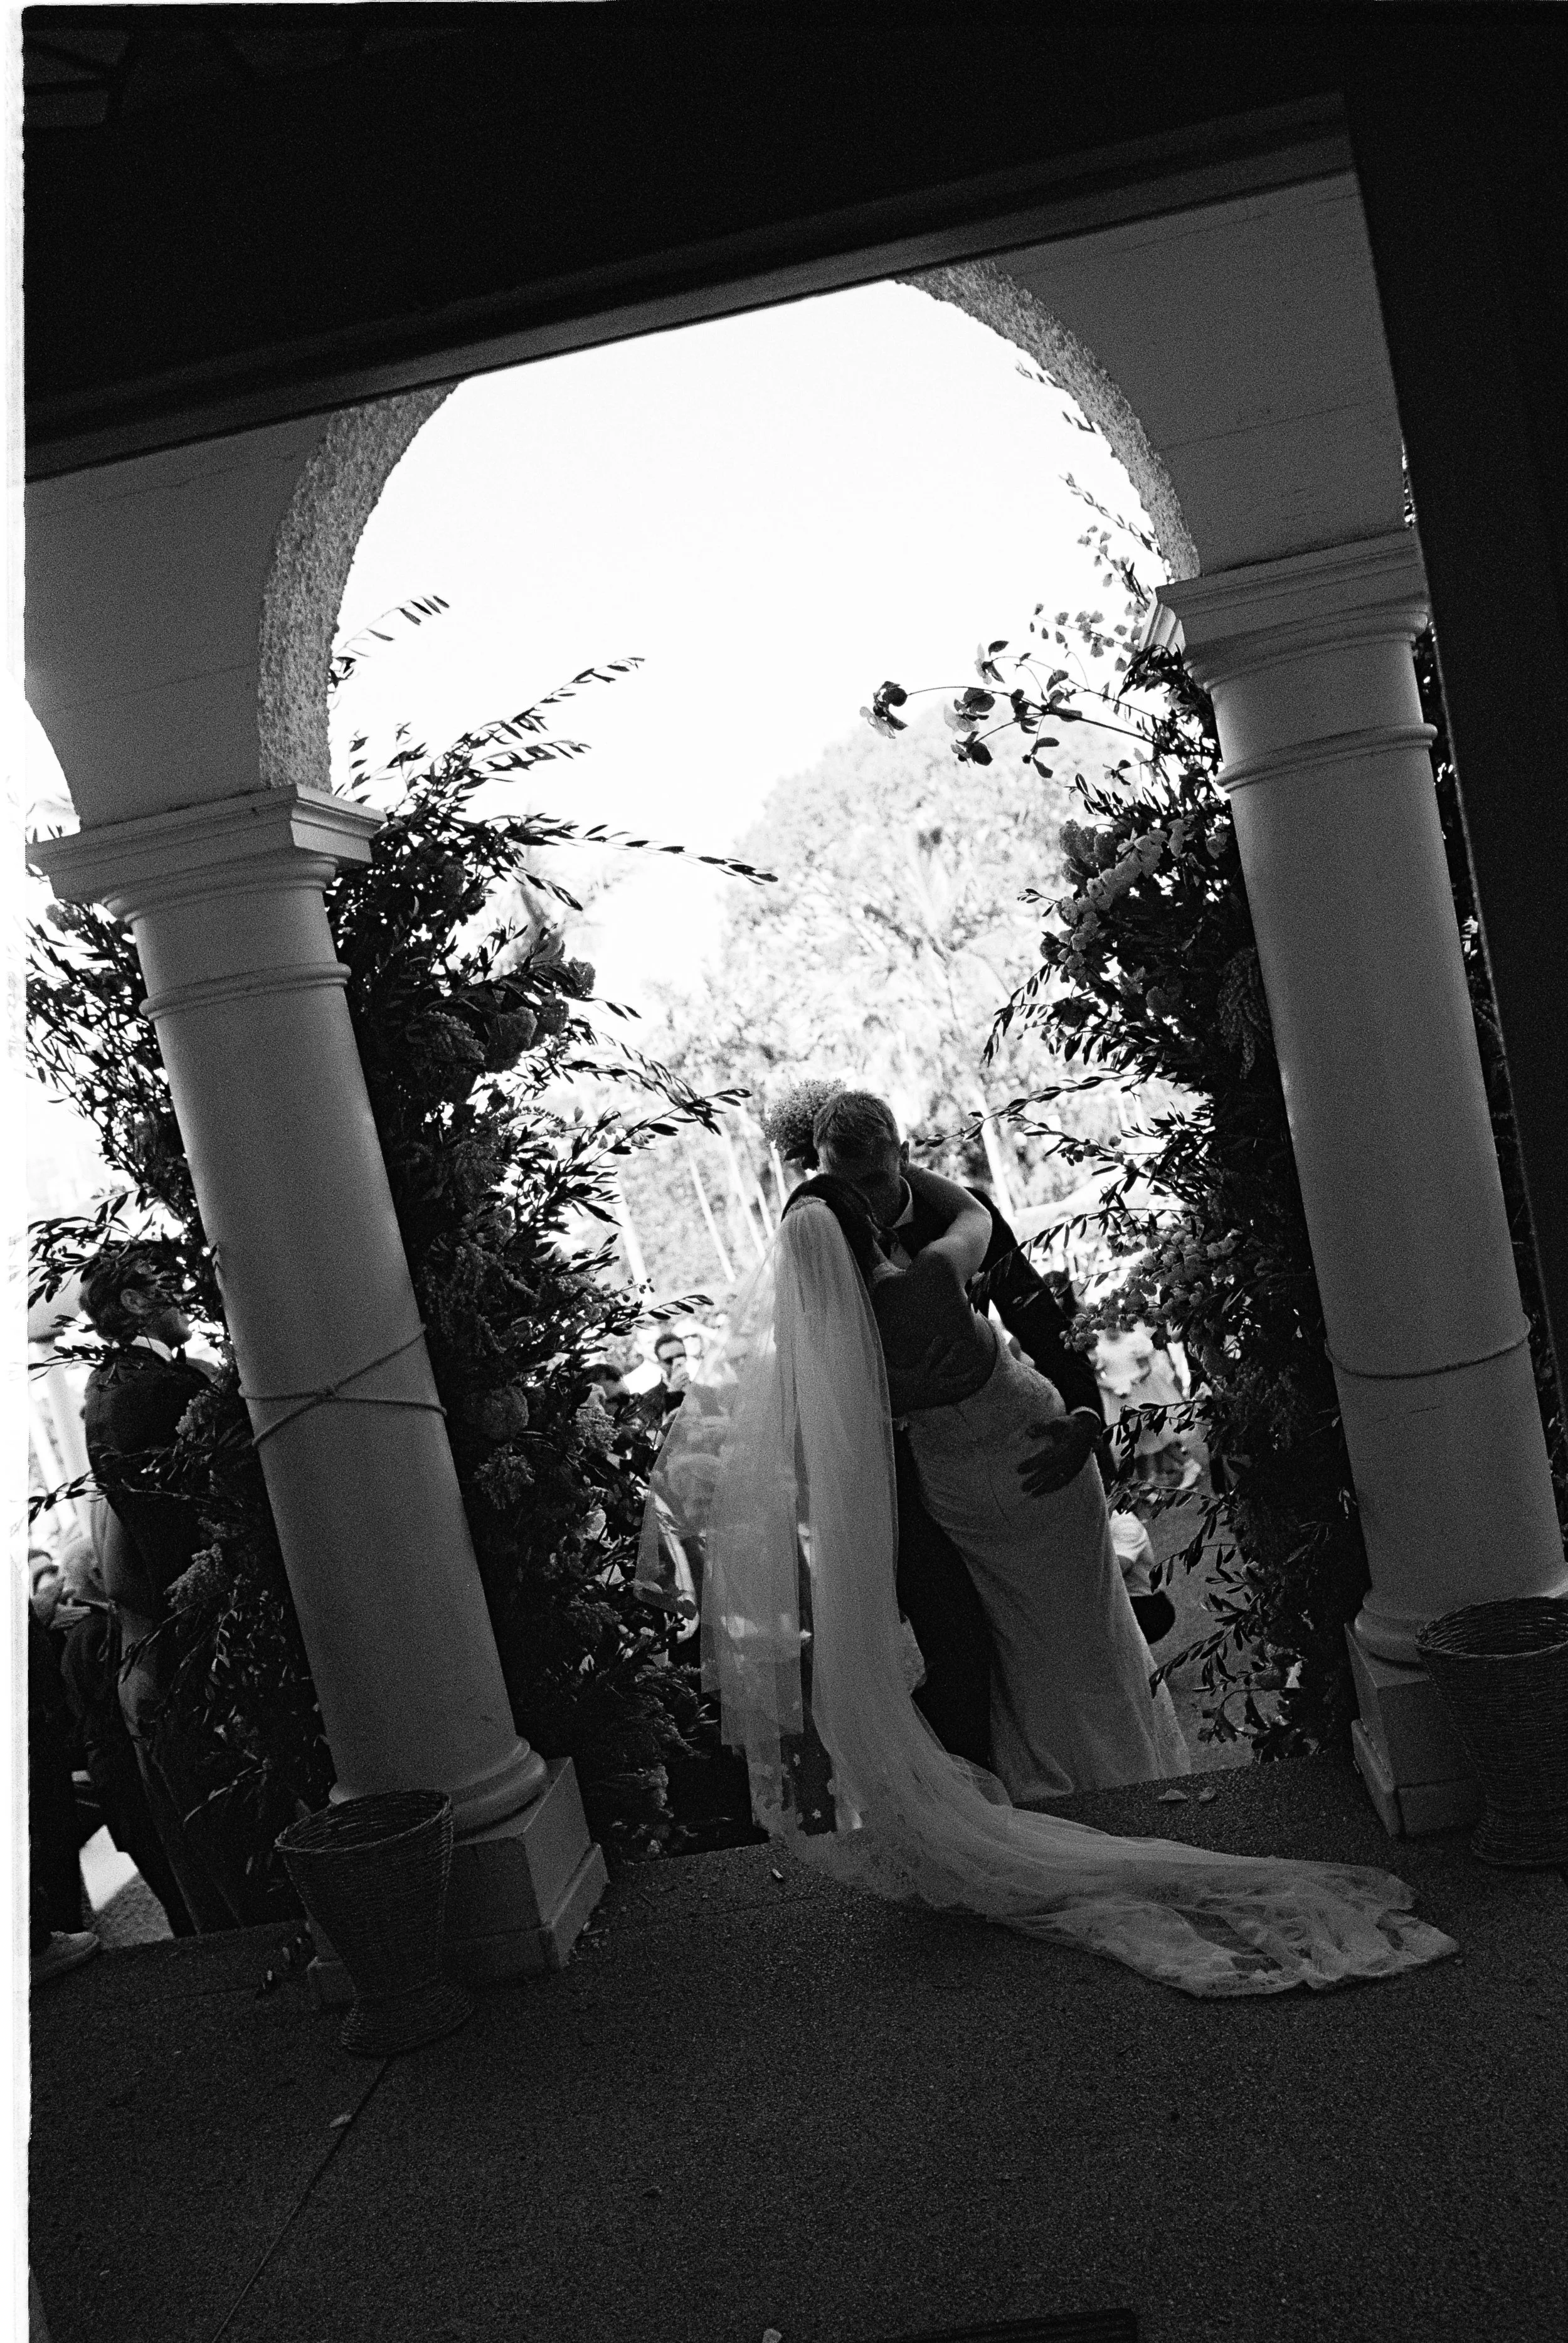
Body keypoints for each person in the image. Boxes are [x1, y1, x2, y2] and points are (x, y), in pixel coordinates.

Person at [639, 1186, 1458, 1999]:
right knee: (1087, 1631)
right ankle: (1117, 1767)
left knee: (1027, 1640)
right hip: (1034, 1481)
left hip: (961, 1494)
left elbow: (858, 1431)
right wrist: (915, 1182)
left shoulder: (838, 1343)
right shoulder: (927, 1278)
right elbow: (978, 1220)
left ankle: (1060, 1775)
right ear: (867, 1226)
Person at [79, 1247, 260, 1932]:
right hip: (201, 1619)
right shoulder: (157, 1390)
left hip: (164, 1624)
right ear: (133, 1301)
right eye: (169, 1285)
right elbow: (194, 1516)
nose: (184, 1295)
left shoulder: (109, 1387)